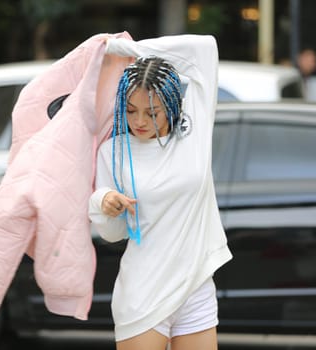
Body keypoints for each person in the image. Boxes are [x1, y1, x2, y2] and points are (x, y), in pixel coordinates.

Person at [88, 34, 233, 350]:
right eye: (130, 110)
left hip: (196, 288)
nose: (139, 121)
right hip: (144, 291)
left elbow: (205, 47)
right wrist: (104, 203)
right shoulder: (113, 152)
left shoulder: (194, 133)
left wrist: (125, 48)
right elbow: (113, 235)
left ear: (171, 104)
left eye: (152, 112)